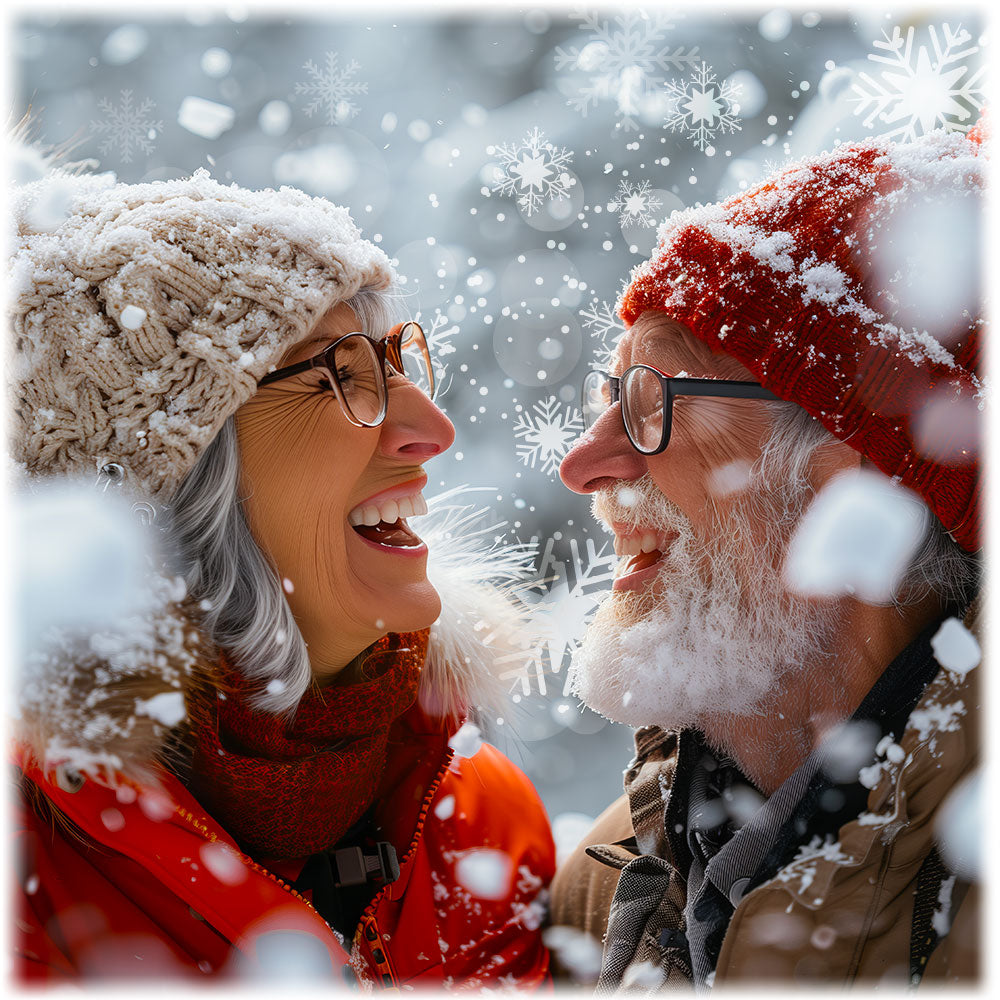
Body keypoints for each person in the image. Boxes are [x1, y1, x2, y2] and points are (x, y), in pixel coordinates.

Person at [11, 163, 555, 986]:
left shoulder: (476, 814)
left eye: (397, 360)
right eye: (340, 372)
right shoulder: (28, 883)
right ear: (180, 480)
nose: (431, 427)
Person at [548, 116, 986, 989]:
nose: (584, 463)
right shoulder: (602, 890)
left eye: (649, 399)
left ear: (847, 473)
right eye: (608, 394)